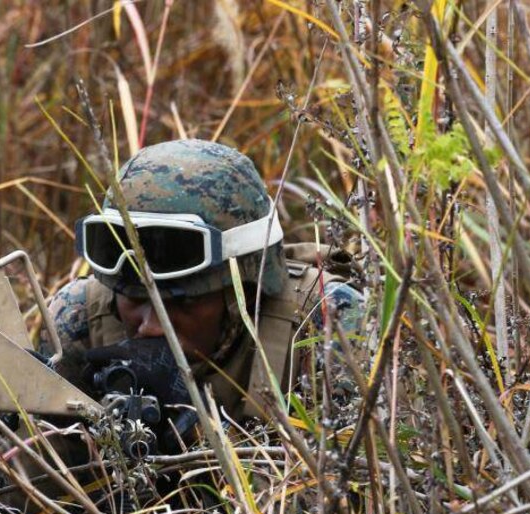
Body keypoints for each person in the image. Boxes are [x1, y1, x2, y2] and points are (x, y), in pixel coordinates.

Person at [48, 138, 364, 428]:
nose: (151, 326)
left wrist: (198, 428)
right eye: (134, 299)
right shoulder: (80, 316)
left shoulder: (329, 321)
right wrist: (45, 415)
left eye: (182, 302)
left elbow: (366, 480)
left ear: (245, 292)